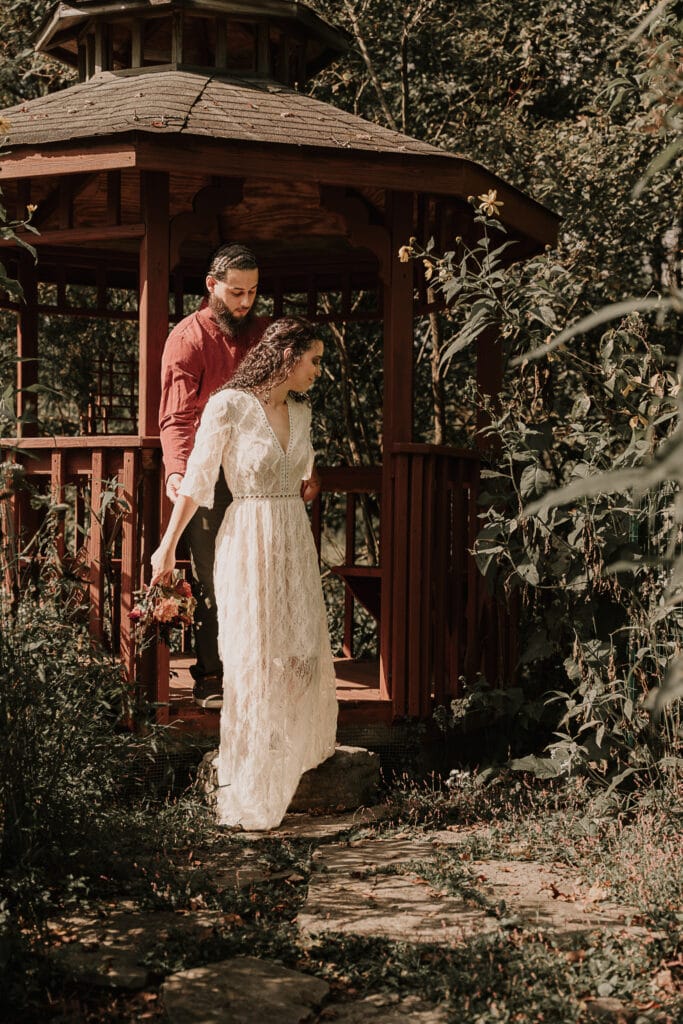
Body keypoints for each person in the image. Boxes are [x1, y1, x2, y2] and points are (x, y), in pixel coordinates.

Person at [150, 317, 338, 830]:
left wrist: (309, 481)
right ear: (287, 356)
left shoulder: (303, 413)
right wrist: (167, 546)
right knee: (252, 654)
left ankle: (287, 753)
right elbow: (197, 480)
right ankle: (251, 776)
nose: (318, 372)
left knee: (298, 651)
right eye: (314, 360)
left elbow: (304, 472)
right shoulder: (227, 406)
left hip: (293, 542)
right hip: (248, 537)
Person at [159, 243, 267, 709]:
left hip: (258, 475)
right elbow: (177, 418)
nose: (245, 302)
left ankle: (257, 672)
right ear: (212, 285)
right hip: (208, 474)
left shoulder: (264, 333)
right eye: (237, 292)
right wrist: (178, 473)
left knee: (259, 573)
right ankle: (211, 678)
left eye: (253, 292)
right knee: (211, 577)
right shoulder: (188, 338)